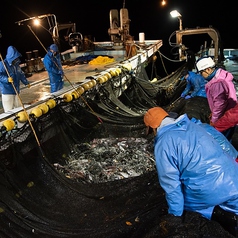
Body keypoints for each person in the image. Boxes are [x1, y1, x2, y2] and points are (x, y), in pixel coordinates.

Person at [144, 107, 238, 237]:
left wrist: (175, 215)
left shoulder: (164, 142)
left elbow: (171, 183)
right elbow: (225, 144)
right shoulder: (195, 124)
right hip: (234, 180)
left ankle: (212, 217)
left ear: (154, 128)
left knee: (190, 211)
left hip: (206, 191)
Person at [196, 56, 237, 125]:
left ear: (208, 69)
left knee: (220, 134)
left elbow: (220, 103)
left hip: (225, 116)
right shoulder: (222, 74)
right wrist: (213, 112)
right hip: (231, 112)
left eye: (201, 72)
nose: (201, 75)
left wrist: (214, 119)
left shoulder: (216, 83)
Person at [0, 46, 30, 112]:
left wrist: (26, 82)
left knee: (18, 108)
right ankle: (10, 122)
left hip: (16, 90)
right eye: (14, 57)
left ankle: (20, 121)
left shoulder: (16, 65)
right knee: (9, 110)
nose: (16, 59)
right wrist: (7, 79)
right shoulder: (3, 64)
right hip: (7, 91)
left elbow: (21, 74)